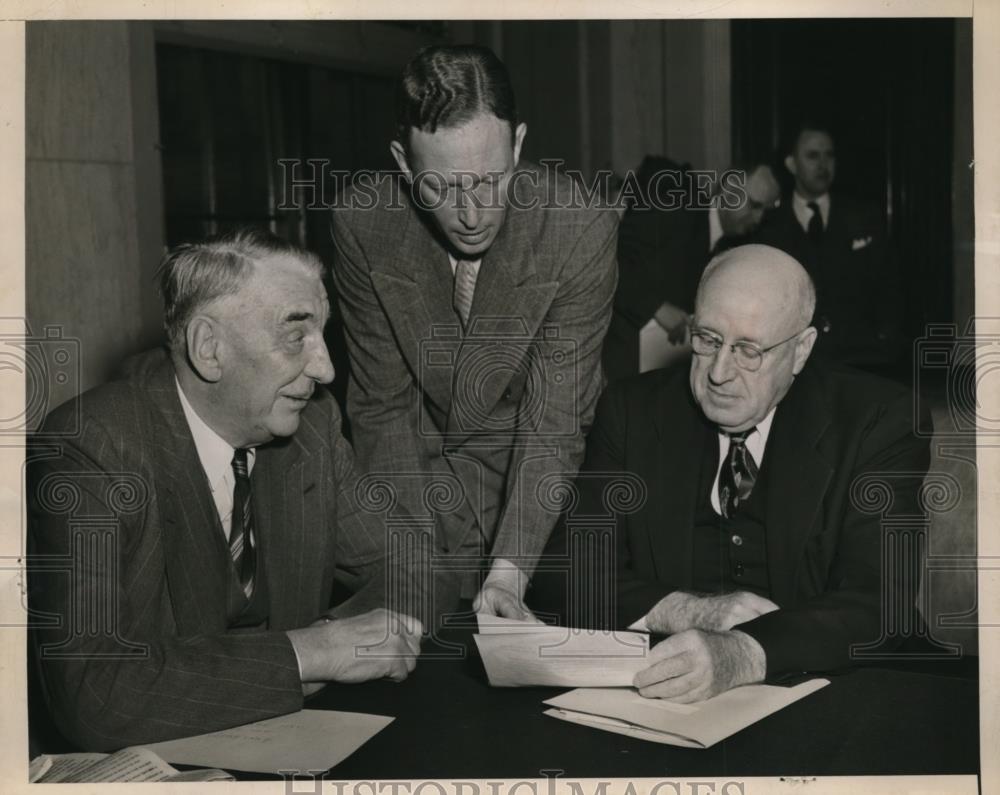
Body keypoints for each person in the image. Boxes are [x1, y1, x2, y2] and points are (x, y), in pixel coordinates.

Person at [28, 229, 426, 752]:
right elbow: (95, 698)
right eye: (295, 336)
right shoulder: (90, 448)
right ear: (209, 349)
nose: (326, 368)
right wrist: (309, 653)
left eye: (323, 335)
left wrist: (337, 638)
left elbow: (416, 567)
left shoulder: (311, 429)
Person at [532, 244, 930, 701]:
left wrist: (740, 654)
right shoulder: (633, 412)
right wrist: (684, 612)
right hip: (668, 697)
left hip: (839, 690)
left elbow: (881, 603)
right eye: (708, 340)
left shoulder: (878, 420)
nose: (719, 372)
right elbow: (563, 574)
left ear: (800, 350)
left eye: (748, 350)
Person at [330, 44, 617, 619]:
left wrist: (509, 573)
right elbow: (382, 408)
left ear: (518, 145)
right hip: (409, 481)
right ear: (404, 164)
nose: (471, 214)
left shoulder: (578, 227)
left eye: (491, 181)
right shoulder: (362, 222)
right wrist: (411, 571)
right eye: (441, 187)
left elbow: (553, 424)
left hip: (529, 491)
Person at [604, 158, 780, 381]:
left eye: (766, 210)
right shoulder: (678, 209)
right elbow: (608, 259)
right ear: (728, 188)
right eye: (754, 205)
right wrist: (656, 307)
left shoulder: (729, 248)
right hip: (622, 365)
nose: (759, 218)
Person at [756, 121, 902, 370]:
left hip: (862, 358)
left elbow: (889, 285)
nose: (823, 165)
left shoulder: (863, 216)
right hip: (797, 361)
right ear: (791, 164)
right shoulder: (768, 224)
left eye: (829, 155)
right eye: (813, 156)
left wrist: (885, 338)